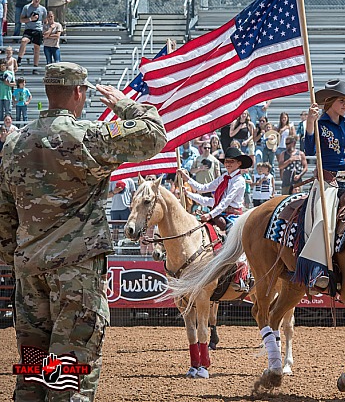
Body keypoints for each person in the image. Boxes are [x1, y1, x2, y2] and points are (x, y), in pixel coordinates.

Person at [0, 62, 167, 401]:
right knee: (68, 374)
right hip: (75, 273)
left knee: (32, 372)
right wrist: (124, 104)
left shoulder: (13, 144)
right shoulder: (87, 136)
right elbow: (154, 134)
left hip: (30, 273)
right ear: (78, 93)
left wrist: (19, 256)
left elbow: (4, 215)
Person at [295, 79, 345, 292]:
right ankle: (317, 271)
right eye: (342, 101)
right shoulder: (319, 125)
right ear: (330, 102)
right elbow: (308, 150)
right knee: (324, 220)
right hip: (327, 182)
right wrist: (309, 123)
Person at [178, 146, 252, 291]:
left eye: (231, 161)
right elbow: (204, 188)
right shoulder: (224, 178)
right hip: (220, 213)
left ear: (239, 164)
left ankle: (242, 276)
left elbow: (225, 202)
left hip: (233, 216)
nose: (228, 164)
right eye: (226, 161)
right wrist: (188, 182)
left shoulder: (239, 181)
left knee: (235, 240)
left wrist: (211, 215)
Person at [17, 0, 47, 73]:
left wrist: (45, 30)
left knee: (37, 49)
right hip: (29, 29)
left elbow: (45, 21)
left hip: (38, 30)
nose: (36, 0)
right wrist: (30, 19)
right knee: (24, 41)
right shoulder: (27, 7)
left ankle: (35, 67)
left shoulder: (43, 9)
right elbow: (21, 20)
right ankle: (19, 60)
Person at [108, 178, 136, 242]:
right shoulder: (112, 180)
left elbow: (134, 193)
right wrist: (114, 192)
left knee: (127, 228)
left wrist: (132, 204)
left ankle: (128, 244)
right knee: (115, 230)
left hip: (126, 207)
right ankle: (115, 245)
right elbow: (107, 195)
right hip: (114, 208)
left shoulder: (129, 180)